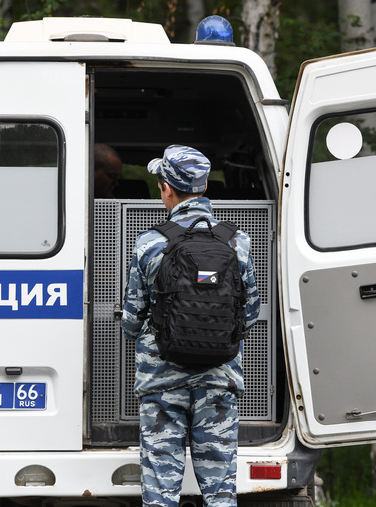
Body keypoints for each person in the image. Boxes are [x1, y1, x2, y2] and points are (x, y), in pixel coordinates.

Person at [120, 144, 260, 507]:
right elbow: (251, 314)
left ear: (166, 187)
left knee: (160, 489)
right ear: (204, 187)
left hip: (162, 380)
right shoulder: (237, 242)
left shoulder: (150, 243)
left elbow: (132, 321)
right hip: (219, 378)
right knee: (220, 491)